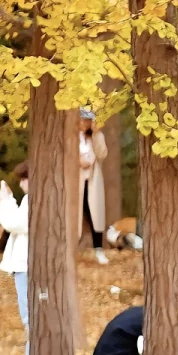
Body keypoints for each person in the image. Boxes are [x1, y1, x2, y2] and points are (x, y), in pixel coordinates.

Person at [0, 162, 30, 355]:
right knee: (31, 317)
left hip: (26, 265)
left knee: (30, 318)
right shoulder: (32, 200)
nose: (22, 184)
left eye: (24, 179)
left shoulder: (33, 200)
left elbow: (15, 223)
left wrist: (6, 201)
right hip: (23, 265)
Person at [78, 109, 109, 265]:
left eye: (88, 120)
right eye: (83, 120)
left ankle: (99, 249)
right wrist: (78, 161)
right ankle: (71, 249)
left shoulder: (97, 136)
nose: (85, 123)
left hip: (92, 181)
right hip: (75, 181)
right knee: (74, 215)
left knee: (95, 214)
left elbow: (102, 154)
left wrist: (96, 135)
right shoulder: (72, 136)